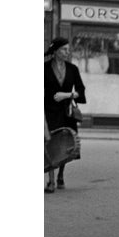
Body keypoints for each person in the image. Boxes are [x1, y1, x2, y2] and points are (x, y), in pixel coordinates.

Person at [44, 37, 86, 192]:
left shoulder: (72, 69)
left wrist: (67, 95)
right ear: (55, 51)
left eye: (68, 49)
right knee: (49, 143)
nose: (67, 52)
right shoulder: (44, 68)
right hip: (48, 111)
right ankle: (51, 181)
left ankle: (61, 174)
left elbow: (81, 92)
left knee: (65, 143)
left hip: (66, 112)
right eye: (64, 49)